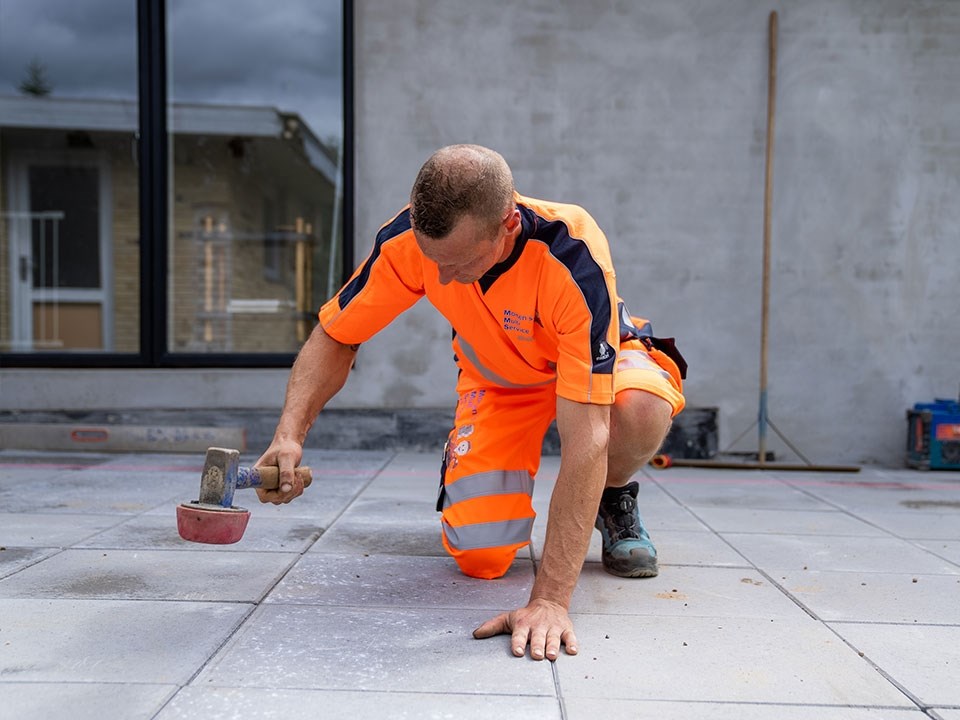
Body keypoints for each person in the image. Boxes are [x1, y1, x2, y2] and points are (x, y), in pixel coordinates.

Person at [255, 144, 686, 662]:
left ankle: (612, 497)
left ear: (506, 224)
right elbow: (337, 335)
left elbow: (586, 437)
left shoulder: (572, 251)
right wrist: (288, 435)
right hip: (499, 380)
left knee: (639, 409)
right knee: (480, 555)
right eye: (432, 260)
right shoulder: (408, 243)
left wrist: (550, 600)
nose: (439, 279)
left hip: (598, 363)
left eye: (457, 262)